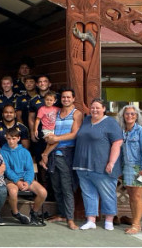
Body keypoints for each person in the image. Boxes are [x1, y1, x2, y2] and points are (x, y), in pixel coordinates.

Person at [73, 98, 123, 231]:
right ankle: (91, 220)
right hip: (83, 165)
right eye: (93, 107)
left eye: (98, 107)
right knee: (88, 193)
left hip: (102, 166)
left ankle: (109, 220)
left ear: (104, 109)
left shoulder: (111, 123)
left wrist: (111, 162)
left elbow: (117, 143)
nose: (95, 110)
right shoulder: (87, 120)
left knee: (107, 194)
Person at [43, 88, 82, 230]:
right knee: (57, 187)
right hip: (53, 153)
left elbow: (74, 134)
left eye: (68, 97)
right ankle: (61, 214)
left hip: (67, 154)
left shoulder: (76, 114)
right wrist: (46, 152)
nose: (65, 99)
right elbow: (50, 132)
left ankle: (70, 219)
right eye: (63, 97)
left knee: (67, 188)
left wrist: (56, 138)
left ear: (73, 98)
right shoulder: (57, 112)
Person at [0, 127, 47, 226]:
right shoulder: (2, 152)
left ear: (18, 138)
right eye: (9, 139)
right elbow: (7, 170)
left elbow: (29, 169)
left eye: (13, 138)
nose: (11, 141)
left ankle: (34, 212)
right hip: (11, 179)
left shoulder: (25, 152)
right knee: (13, 192)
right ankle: (15, 213)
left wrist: (28, 181)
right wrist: (17, 181)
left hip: (26, 179)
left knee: (43, 192)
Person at [117, 104, 142, 235]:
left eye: (132, 114)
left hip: (139, 168)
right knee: (131, 196)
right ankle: (134, 222)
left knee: (137, 196)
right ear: (123, 116)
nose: (129, 116)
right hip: (127, 168)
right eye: (127, 114)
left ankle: (136, 225)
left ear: (137, 116)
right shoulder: (122, 132)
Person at [34, 91, 60, 169]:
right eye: (47, 100)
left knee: (49, 145)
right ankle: (45, 154)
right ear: (44, 100)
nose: (48, 101)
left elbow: (65, 111)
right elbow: (37, 120)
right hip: (46, 130)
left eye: (51, 100)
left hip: (53, 130)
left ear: (54, 101)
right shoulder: (42, 109)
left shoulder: (57, 109)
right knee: (56, 141)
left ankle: (43, 161)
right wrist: (35, 130)